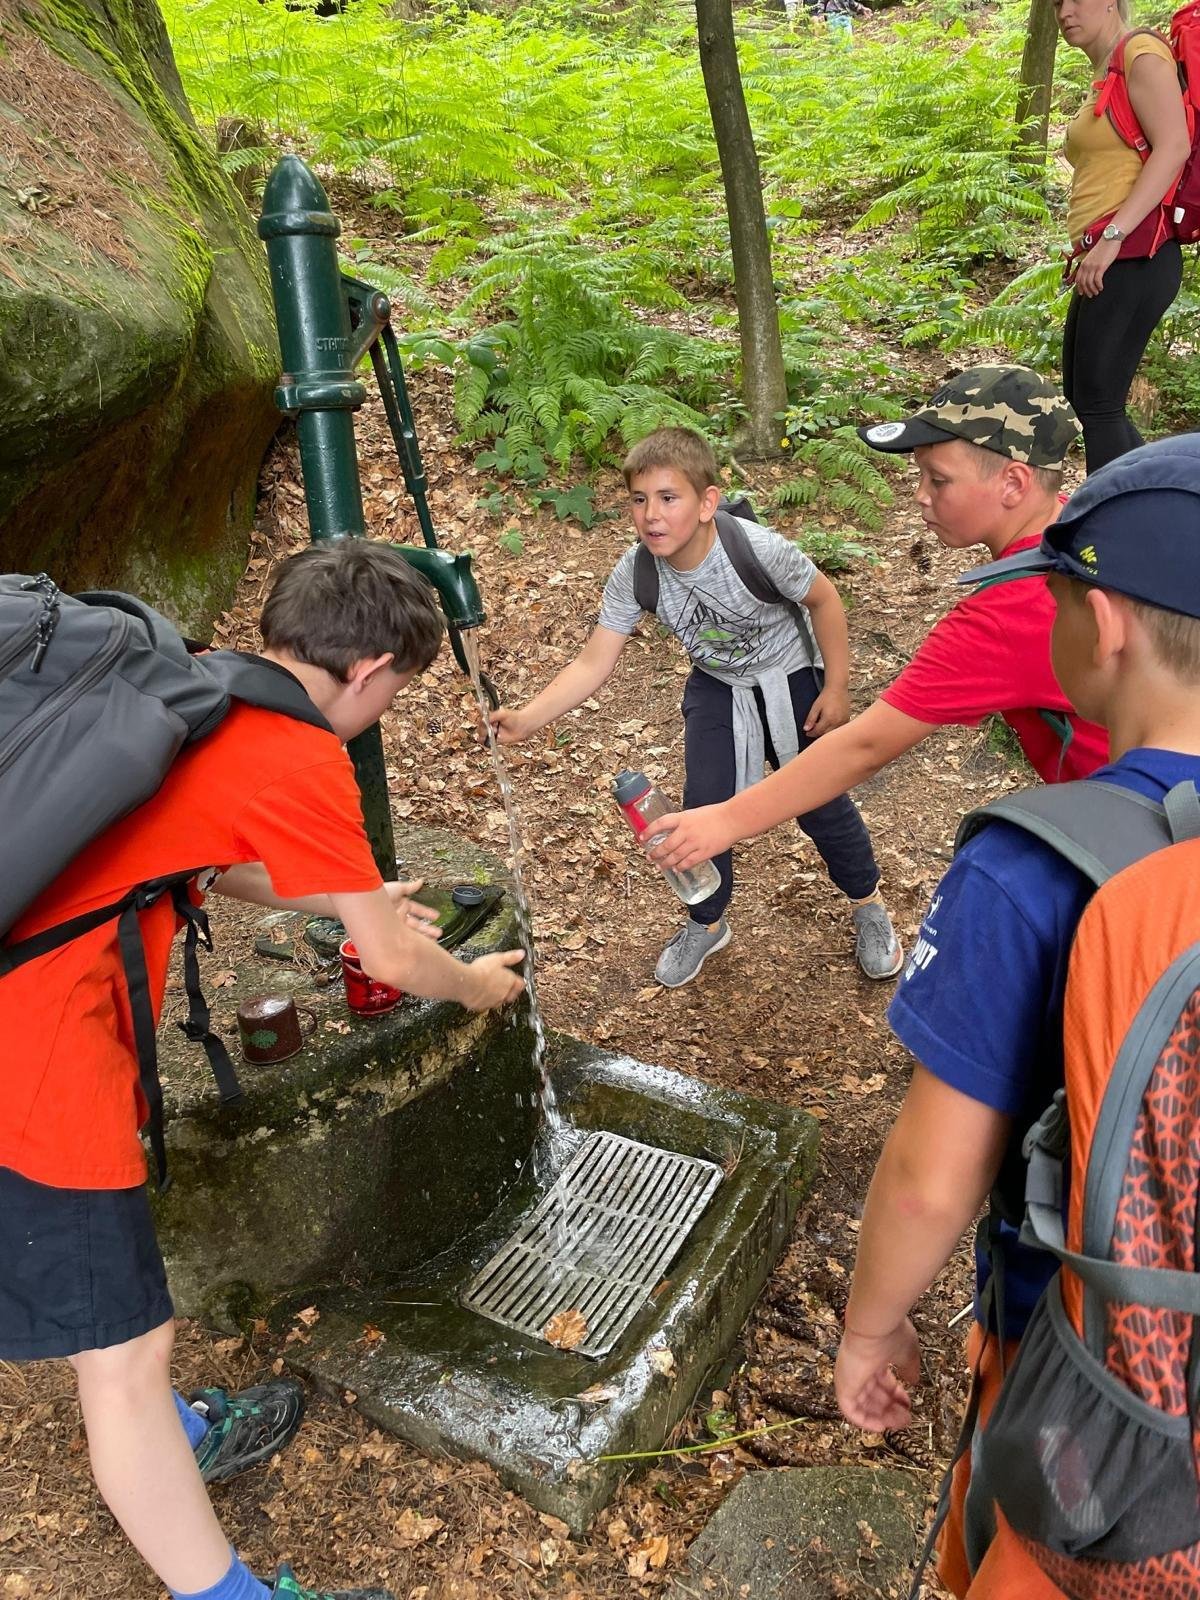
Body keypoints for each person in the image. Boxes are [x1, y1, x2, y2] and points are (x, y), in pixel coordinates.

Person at [0, 540, 525, 1600]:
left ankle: (182, 1438)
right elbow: (392, 963)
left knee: (109, 1328)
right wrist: (474, 984)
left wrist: (349, 893)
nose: (386, 707)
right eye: (398, 690)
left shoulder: (189, 678)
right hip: (36, 1062)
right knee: (126, 1357)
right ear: (369, 670)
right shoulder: (297, 753)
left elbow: (193, 848)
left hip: (31, 1009)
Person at [830, 433, 1200, 1596]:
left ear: (1106, 625)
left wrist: (871, 1327)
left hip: (1097, 1382)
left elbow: (929, 1179)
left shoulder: (1033, 867)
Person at [648, 367, 1108, 881]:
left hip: (1125, 827)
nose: (920, 495)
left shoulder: (1006, 614)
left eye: (939, 480)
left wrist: (725, 820)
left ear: (1014, 483)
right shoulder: (1080, 529)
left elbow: (865, 746)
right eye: (920, 476)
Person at [488, 425, 903, 987]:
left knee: (819, 801)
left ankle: (867, 902)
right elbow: (593, 661)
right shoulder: (636, 573)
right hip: (718, 684)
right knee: (702, 807)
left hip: (791, 677)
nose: (651, 515)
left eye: (668, 498)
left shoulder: (756, 550)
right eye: (639, 500)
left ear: (707, 503)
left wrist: (837, 687)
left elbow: (824, 600)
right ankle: (707, 922)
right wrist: (526, 719)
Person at [1058, 0, 1192, 472]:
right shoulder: (1107, 71)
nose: (1064, 11)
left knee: (1098, 402)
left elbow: (1174, 146)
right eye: (1056, 3)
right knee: (1086, 397)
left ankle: (1117, 515)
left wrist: (1113, 236)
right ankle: (1152, 499)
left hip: (1136, 253)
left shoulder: (1141, 52)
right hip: (1110, 253)